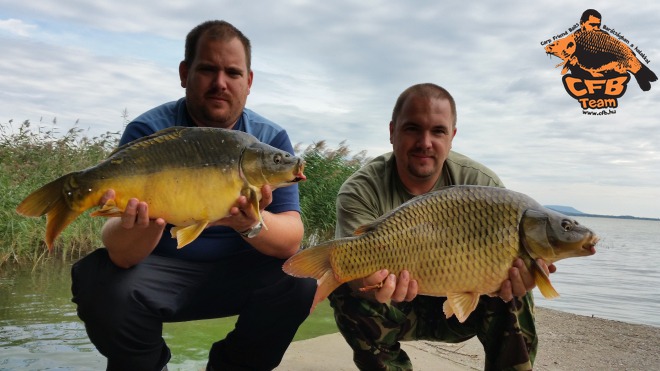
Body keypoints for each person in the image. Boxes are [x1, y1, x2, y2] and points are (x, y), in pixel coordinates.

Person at [71, 20, 316, 371]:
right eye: (207, 69)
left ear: (248, 82)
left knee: (301, 278)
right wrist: (153, 219)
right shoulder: (149, 131)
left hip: (238, 273)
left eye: (232, 72)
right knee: (97, 281)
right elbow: (121, 255)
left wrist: (250, 224)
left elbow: (292, 239)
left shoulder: (268, 141)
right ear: (185, 73)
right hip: (158, 272)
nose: (220, 83)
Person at [328, 83, 555, 371]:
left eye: (438, 131)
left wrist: (513, 280)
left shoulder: (484, 187)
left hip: (465, 307)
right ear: (392, 132)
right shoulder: (361, 190)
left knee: (514, 282)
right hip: (396, 306)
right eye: (412, 128)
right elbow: (353, 270)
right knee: (345, 287)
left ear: (452, 137)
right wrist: (368, 286)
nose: (425, 142)